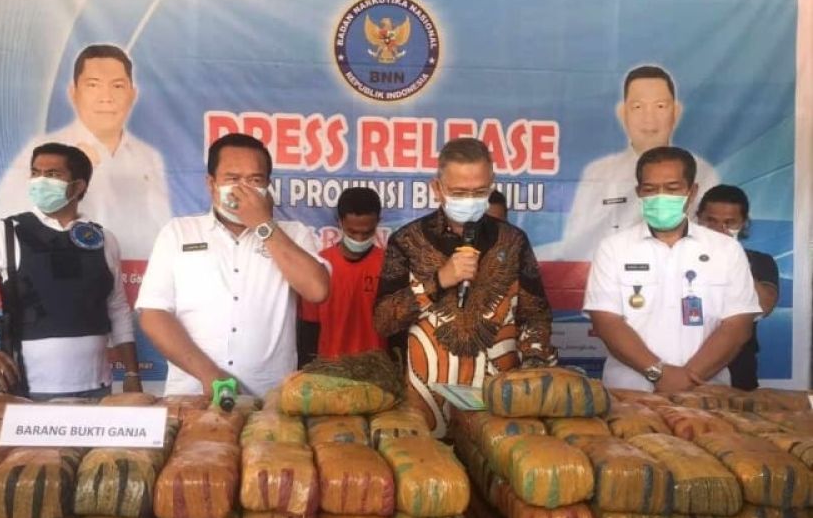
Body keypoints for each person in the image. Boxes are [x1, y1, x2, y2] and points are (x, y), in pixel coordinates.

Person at [374, 138, 555, 437]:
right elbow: (383, 321)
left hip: (497, 406)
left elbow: (536, 315)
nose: (470, 200)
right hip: (425, 403)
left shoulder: (513, 242)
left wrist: (532, 371)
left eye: (479, 191)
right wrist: (438, 281)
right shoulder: (407, 241)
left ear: (492, 184)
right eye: (459, 192)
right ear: (437, 188)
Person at [0, 143, 141, 399]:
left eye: (52, 174)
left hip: (97, 389)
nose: (41, 181)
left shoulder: (104, 239)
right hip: (27, 393)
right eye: (35, 172)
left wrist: (132, 373)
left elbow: (117, 308)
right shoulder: (6, 233)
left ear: (78, 186)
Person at [136, 133, 330, 397]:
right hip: (193, 395)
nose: (243, 189)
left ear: (267, 186)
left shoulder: (294, 234)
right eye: (233, 179)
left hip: (269, 400)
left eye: (255, 180)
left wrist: (262, 224)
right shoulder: (179, 232)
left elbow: (317, 290)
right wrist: (209, 374)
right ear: (211, 183)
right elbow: (154, 314)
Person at [583, 146, 760, 392]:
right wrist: (658, 373)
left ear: (692, 191)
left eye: (672, 188)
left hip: (705, 392)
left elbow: (738, 325)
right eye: (650, 189)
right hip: (629, 393)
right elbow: (607, 322)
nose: (661, 196)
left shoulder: (726, 249)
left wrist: (688, 378)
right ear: (639, 192)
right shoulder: (613, 248)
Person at [0, 44, 170, 259]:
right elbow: (4, 219)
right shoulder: (43, 153)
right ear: (73, 93)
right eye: (93, 85)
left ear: (133, 94)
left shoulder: (148, 157)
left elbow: (162, 228)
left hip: (133, 270)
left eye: (117, 86)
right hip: (62, 266)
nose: (106, 97)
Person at [550, 65, 721, 261]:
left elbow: (714, 241)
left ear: (676, 111)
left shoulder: (704, 172)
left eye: (660, 106)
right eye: (638, 107)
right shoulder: (597, 172)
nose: (649, 118)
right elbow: (574, 246)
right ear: (622, 113)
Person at [696, 184, 779, 390]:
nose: (719, 230)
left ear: (743, 223)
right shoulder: (677, 257)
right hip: (683, 364)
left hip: (738, 367)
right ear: (698, 219)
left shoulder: (759, 261)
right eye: (711, 221)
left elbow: (765, 306)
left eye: (729, 222)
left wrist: (733, 257)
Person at [299, 187, 387, 364]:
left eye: (367, 232)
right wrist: (306, 370)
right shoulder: (319, 266)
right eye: (352, 232)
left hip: (377, 369)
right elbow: (309, 328)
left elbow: (398, 328)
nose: (359, 239)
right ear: (339, 222)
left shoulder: (390, 266)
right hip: (328, 370)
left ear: (378, 222)